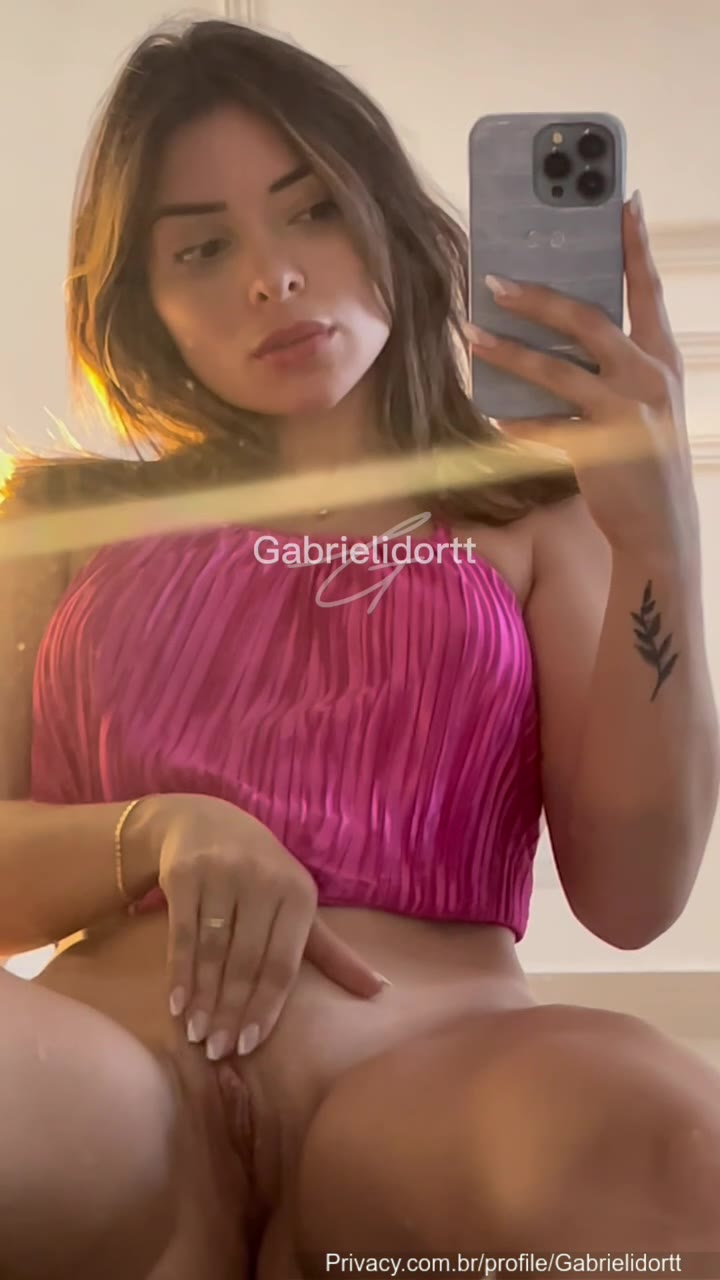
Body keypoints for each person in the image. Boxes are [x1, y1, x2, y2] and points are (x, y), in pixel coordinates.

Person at [1, 15, 719, 1279]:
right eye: (203, 246)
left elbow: (633, 896)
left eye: (314, 209)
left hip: (434, 1088)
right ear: (144, 305)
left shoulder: (541, 517)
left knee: (677, 1164)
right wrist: (155, 830)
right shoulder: (56, 522)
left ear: (390, 216)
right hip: (99, 1101)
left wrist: (660, 536)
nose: (271, 276)